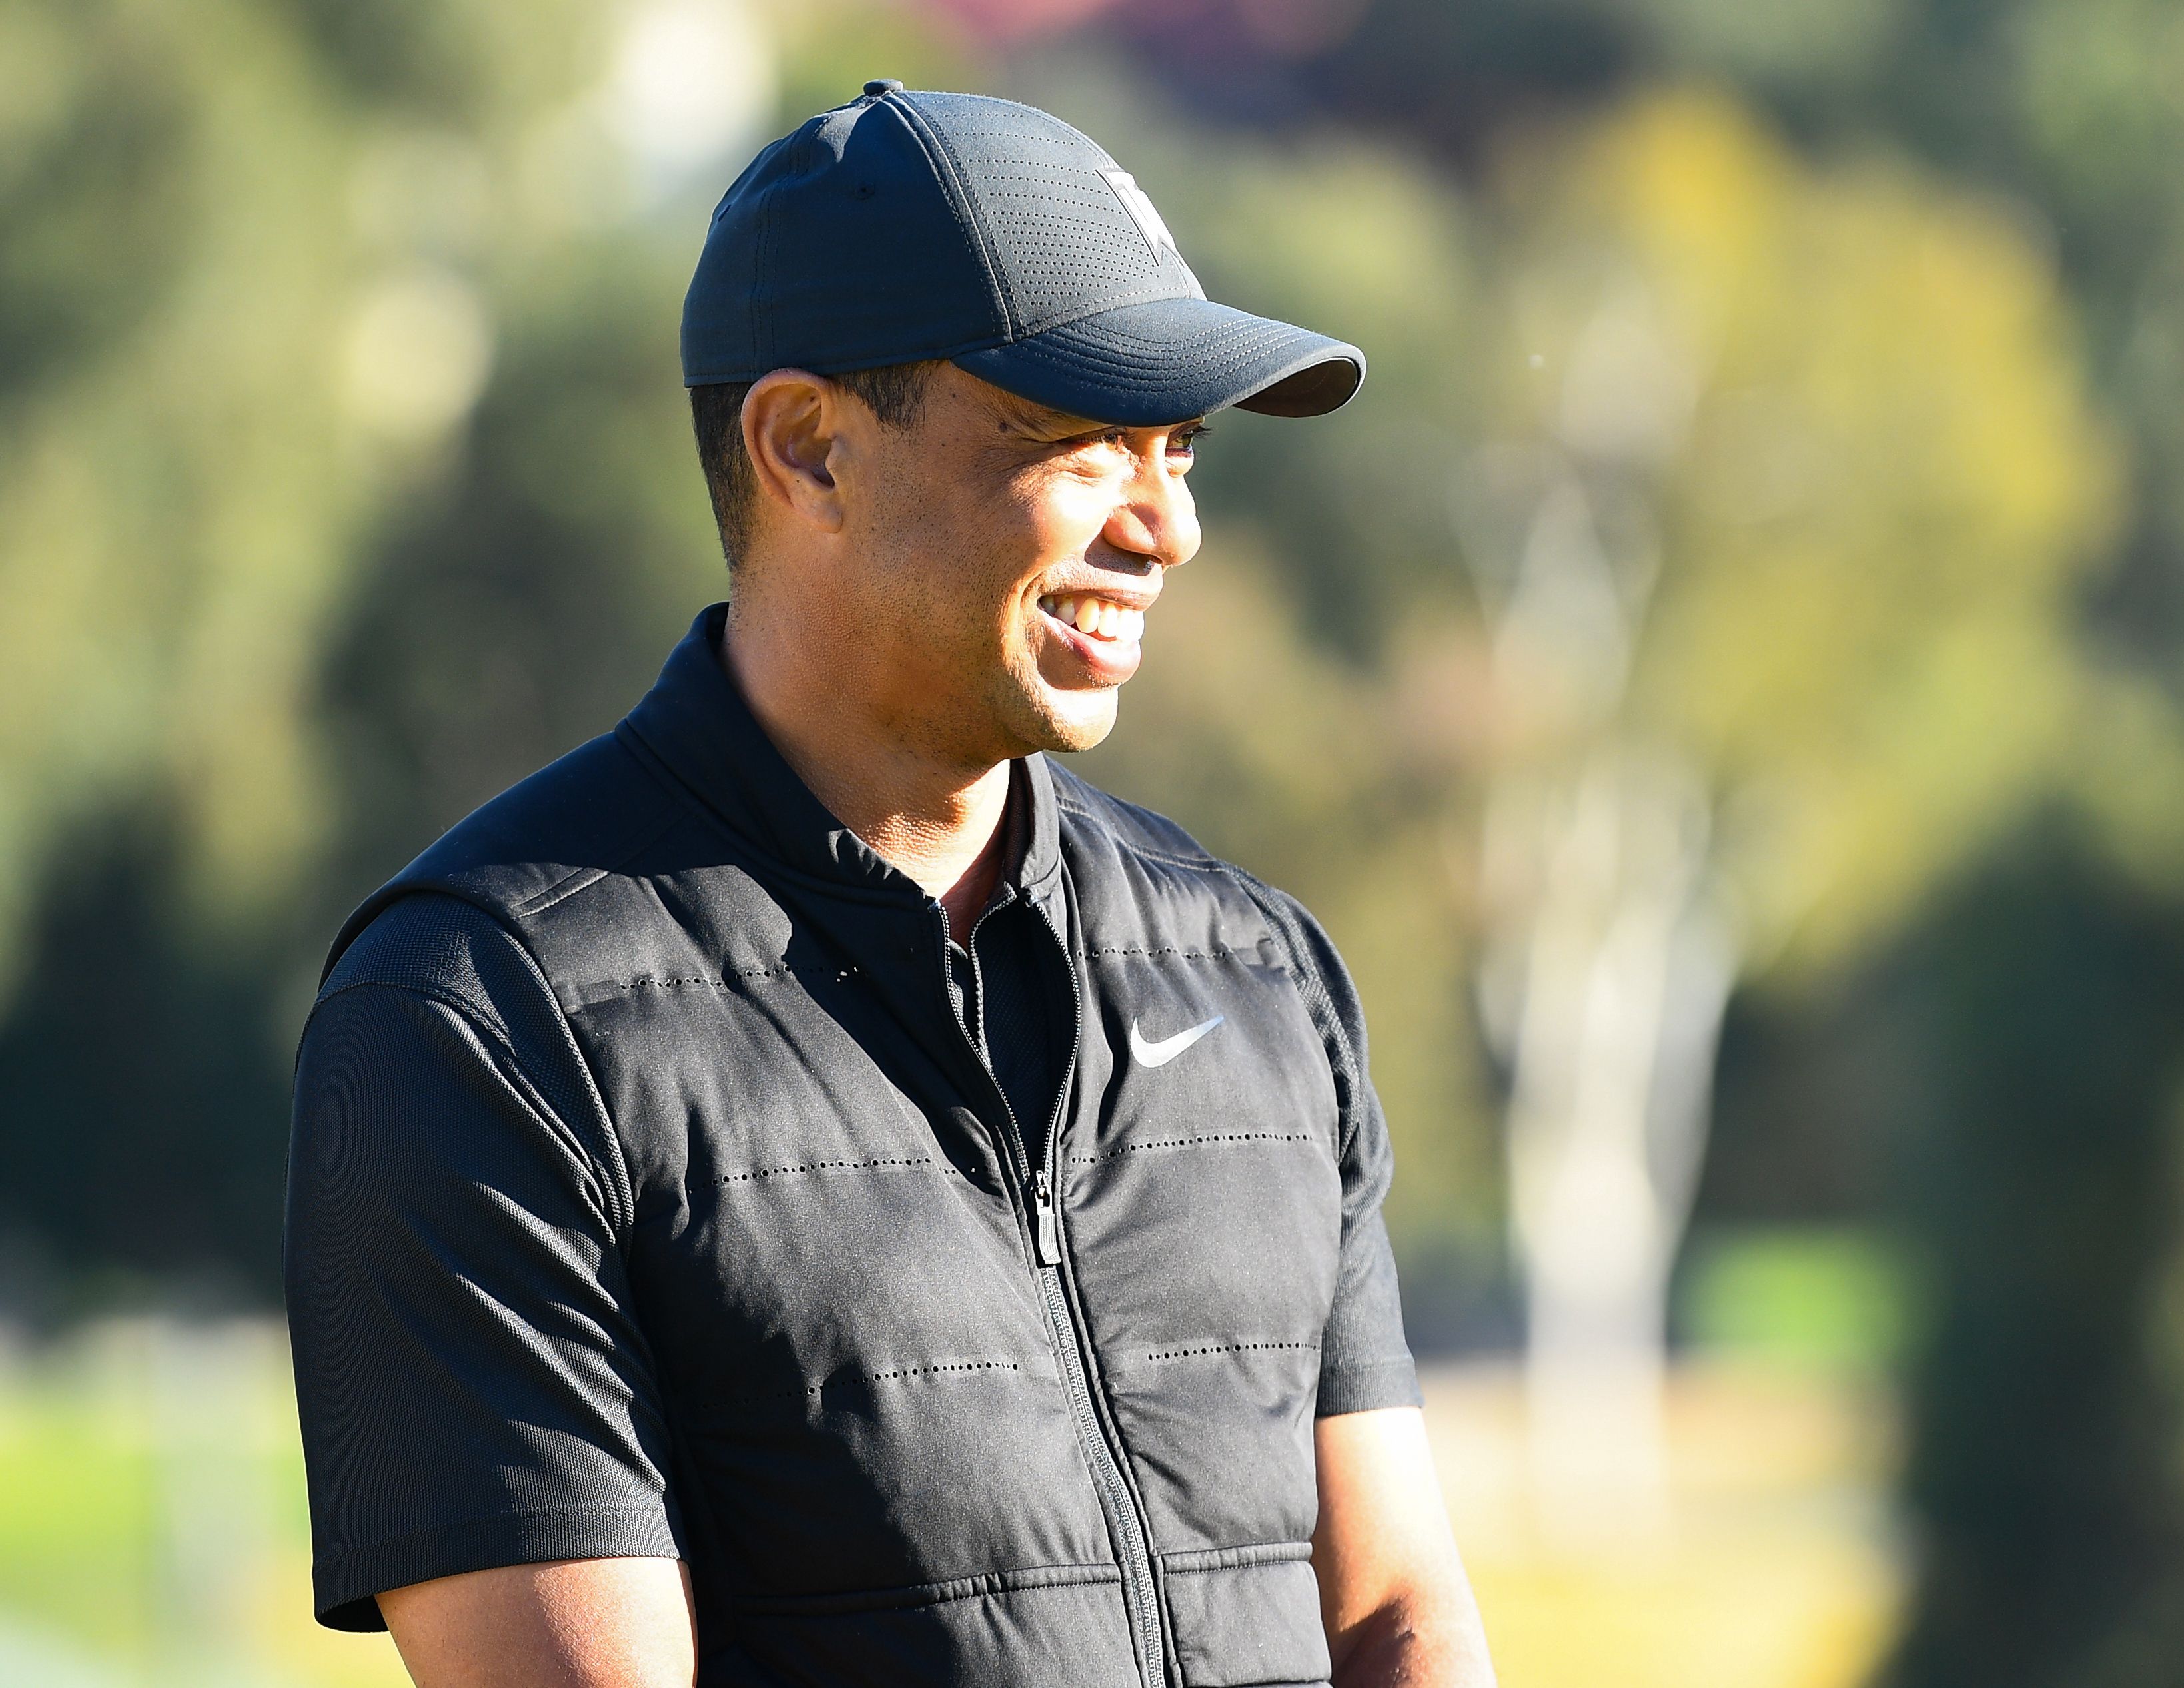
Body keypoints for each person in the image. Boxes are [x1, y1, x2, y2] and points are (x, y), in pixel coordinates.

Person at [283, 81, 1494, 1688]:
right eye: (1076, 441)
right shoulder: (478, 1024)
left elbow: (1392, 1614)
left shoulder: (1258, 972)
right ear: (807, 449)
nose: (1169, 525)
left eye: (1178, 446)